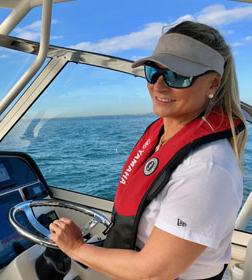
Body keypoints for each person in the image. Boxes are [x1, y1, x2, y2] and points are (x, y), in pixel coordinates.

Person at [49, 21, 247, 280]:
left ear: (212, 84)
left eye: (178, 75)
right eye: (154, 72)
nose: (160, 86)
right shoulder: (164, 135)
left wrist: (75, 248)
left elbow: (154, 272)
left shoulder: (207, 169)